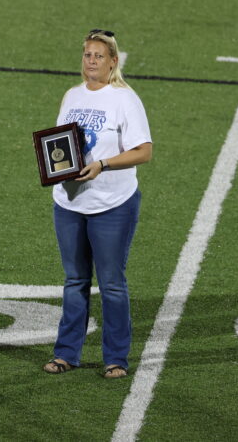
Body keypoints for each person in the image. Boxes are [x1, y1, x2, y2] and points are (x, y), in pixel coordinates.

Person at [43, 29, 152, 379]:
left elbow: (143, 151)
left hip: (112, 205)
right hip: (69, 203)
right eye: (87, 54)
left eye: (99, 56)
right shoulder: (72, 95)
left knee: (112, 284)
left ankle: (116, 357)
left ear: (113, 61)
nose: (91, 61)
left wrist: (103, 165)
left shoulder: (124, 99)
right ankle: (66, 353)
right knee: (74, 280)